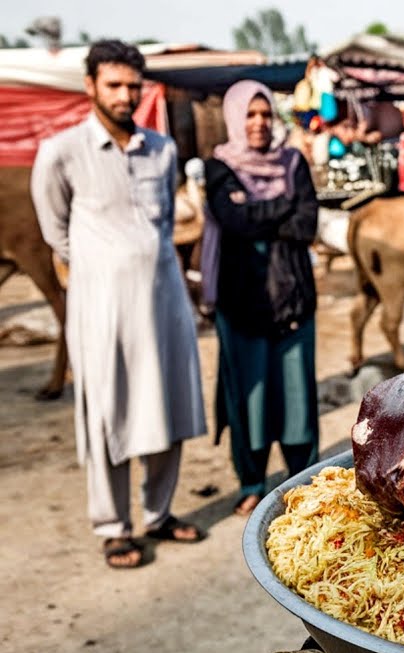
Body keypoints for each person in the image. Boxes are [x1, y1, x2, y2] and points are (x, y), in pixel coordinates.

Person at [30, 40, 207, 569]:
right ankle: (113, 525)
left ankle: (159, 513)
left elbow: (164, 223)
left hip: (164, 300)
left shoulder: (161, 147)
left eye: (134, 86)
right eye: (115, 85)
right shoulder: (61, 151)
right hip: (101, 307)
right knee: (108, 412)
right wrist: (99, 268)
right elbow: (55, 229)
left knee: (167, 404)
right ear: (91, 87)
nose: (126, 95)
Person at [204, 80, 320, 516]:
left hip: (293, 300)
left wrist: (262, 215)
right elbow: (233, 221)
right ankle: (251, 482)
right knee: (249, 400)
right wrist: (284, 207)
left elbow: (305, 225)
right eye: (249, 115)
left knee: (297, 400)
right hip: (241, 303)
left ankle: (300, 484)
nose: (258, 124)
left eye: (265, 115)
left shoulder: (293, 161)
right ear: (235, 118)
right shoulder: (218, 167)